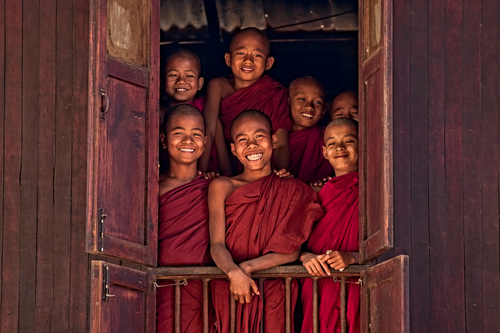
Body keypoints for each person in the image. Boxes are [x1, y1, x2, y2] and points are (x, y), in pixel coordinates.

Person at [209, 110, 324, 333]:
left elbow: (290, 252)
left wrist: (247, 268)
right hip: (229, 285)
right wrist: (233, 272)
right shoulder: (222, 186)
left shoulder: (292, 190)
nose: (252, 145)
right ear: (233, 149)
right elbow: (216, 244)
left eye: (259, 136)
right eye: (242, 140)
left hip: (273, 288)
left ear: (274, 140)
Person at [199, 27, 292, 175]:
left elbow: (280, 143)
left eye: (257, 54)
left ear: (268, 63)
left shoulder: (275, 93)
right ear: (228, 59)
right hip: (228, 166)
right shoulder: (218, 86)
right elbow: (207, 131)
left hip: (263, 168)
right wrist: (201, 171)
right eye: (241, 53)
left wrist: (279, 173)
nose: (248, 60)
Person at [300, 117, 361, 333]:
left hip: (356, 286)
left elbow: (389, 244)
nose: (340, 148)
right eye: (332, 143)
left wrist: (353, 257)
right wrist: (304, 257)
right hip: (318, 284)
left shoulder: (371, 190)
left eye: (349, 141)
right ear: (325, 152)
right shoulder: (315, 193)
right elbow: (295, 241)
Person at [156, 104, 213, 333]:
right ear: (163, 140)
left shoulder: (215, 187)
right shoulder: (152, 188)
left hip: (205, 286)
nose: (188, 140)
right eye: (178, 133)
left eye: (196, 134)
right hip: (163, 285)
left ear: (206, 142)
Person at [160, 49, 230, 175]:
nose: (181, 81)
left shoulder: (208, 114)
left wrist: (226, 179)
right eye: (173, 75)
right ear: (161, 81)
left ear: (199, 83)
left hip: (206, 181)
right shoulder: (157, 114)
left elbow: (222, 157)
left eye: (189, 76)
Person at [287, 76, 334, 184]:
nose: (309, 107)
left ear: (323, 112)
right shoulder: (275, 138)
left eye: (317, 102)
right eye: (302, 99)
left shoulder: (327, 137)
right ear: (288, 103)